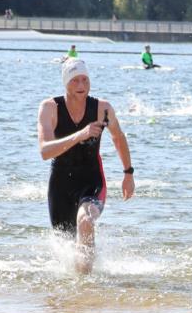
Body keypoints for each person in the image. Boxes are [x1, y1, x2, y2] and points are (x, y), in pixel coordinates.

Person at [37, 58, 134, 274]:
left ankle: (86, 284)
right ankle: (76, 297)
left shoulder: (102, 109)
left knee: (86, 221)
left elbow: (118, 137)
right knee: (66, 246)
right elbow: (45, 151)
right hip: (60, 185)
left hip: (92, 182)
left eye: (85, 80)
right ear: (65, 83)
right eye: (75, 81)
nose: (81, 86)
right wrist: (80, 135)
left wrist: (128, 173)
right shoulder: (49, 108)